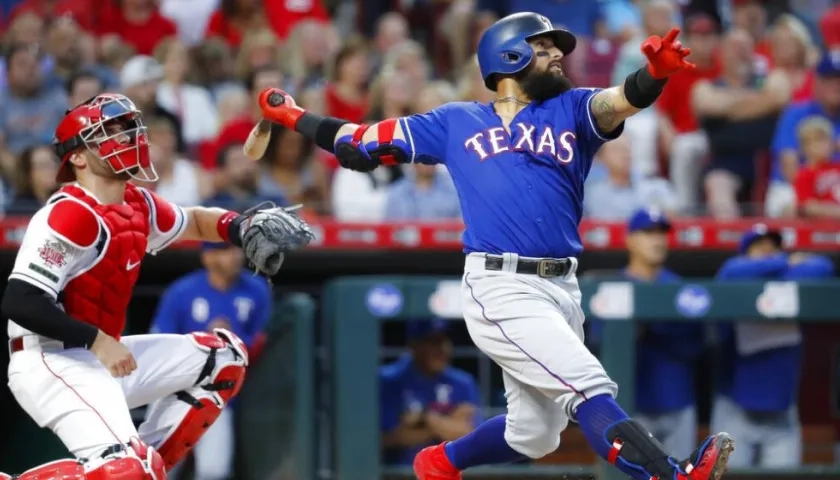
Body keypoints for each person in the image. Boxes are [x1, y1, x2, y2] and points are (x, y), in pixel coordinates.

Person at [257, 11, 733, 480]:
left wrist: (654, 74)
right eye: (544, 48)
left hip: (561, 287)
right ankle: (671, 474)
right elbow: (356, 144)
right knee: (588, 385)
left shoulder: (572, 109)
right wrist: (295, 115)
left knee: (536, 434)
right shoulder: (456, 121)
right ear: (509, 55)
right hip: (500, 285)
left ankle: (438, 463)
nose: (557, 58)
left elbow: (621, 101)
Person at [0, 93, 313, 480]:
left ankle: (146, 468)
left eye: (127, 128)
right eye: (107, 133)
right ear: (78, 157)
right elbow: (20, 301)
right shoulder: (68, 214)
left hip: (100, 358)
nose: (125, 138)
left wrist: (239, 225)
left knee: (224, 358)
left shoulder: (138, 205)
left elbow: (195, 220)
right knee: (126, 471)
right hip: (51, 360)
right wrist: (97, 340)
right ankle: (129, 469)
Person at [712, 224, 834, 468]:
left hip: (782, 410)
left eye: (773, 247)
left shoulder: (790, 283)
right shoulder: (734, 276)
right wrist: (785, 261)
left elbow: (824, 267)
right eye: (759, 247)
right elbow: (730, 271)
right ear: (744, 254)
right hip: (735, 410)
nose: (768, 252)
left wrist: (776, 265)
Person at [150, 242, 273, 480]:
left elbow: (260, 343)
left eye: (236, 249)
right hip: (174, 389)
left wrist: (231, 337)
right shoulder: (182, 291)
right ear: (208, 256)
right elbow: (159, 343)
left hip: (218, 393)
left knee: (214, 471)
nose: (234, 256)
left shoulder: (256, 289)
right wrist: (202, 341)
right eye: (225, 250)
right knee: (158, 467)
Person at [622, 208, 703, 459]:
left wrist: (652, 325)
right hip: (631, 407)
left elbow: (697, 346)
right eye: (648, 233)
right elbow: (601, 346)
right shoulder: (616, 286)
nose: (657, 240)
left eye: (662, 233)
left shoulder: (680, 289)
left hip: (678, 403)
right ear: (630, 240)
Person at [380, 318, 480, 466]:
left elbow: (471, 436)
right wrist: (449, 423)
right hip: (400, 473)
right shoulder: (388, 380)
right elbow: (387, 438)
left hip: (450, 473)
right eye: (434, 342)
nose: (443, 349)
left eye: (446, 341)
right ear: (414, 345)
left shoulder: (463, 382)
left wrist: (425, 419)